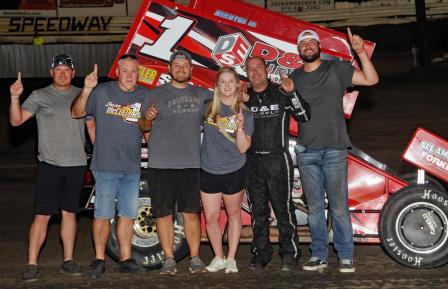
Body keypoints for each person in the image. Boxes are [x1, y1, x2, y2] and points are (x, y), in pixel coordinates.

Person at [282, 28, 379, 273]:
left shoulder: (336, 70)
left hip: (335, 149)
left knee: (338, 207)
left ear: (319, 47)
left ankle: (346, 255)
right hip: (306, 152)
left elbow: (371, 79)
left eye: (311, 42)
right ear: (299, 50)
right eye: (302, 43)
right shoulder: (293, 78)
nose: (307, 46)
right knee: (314, 208)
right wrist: (285, 91)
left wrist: (360, 53)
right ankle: (319, 255)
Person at [9, 54, 87, 282]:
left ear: (73, 73)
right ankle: (32, 263)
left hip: (76, 163)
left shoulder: (83, 95)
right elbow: (16, 121)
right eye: (58, 69)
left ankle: (68, 261)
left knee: (70, 213)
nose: (62, 73)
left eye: (67, 70)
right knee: (42, 215)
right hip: (49, 165)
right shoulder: (39, 96)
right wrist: (15, 98)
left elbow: (92, 124)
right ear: (51, 72)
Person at [71, 54, 150, 277]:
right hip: (105, 166)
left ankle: (125, 258)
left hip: (132, 167)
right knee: (103, 214)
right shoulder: (102, 91)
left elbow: (147, 126)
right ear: (117, 72)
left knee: (127, 215)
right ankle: (99, 259)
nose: (129, 76)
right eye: (125, 71)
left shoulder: (145, 95)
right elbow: (78, 113)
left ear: (138, 73)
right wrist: (86, 89)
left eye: (133, 71)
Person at [139, 50, 212, 276]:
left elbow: (223, 112)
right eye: (176, 65)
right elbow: (142, 127)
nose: (180, 68)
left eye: (185, 65)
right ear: (170, 69)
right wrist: (147, 119)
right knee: (163, 214)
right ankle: (169, 259)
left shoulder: (202, 95)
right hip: (161, 165)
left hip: (191, 164)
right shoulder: (155, 94)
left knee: (191, 213)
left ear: (191, 70)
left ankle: (195, 258)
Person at [244, 56, 310, 271]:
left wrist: (292, 93)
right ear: (246, 73)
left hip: (278, 159)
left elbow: (304, 116)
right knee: (258, 211)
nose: (255, 72)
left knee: (284, 209)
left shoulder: (281, 91)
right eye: (250, 69)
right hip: (252, 160)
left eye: (258, 68)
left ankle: (290, 254)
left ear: (267, 70)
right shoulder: (243, 97)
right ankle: (261, 252)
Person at [199, 67, 254, 274]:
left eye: (231, 81)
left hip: (234, 169)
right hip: (209, 169)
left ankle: (231, 258)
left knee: (233, 215)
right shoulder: (207, 108)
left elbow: (242, 148)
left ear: (238, 84)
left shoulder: (245, 113)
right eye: (223, 82)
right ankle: (219, 257)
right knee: (211, 218)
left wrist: (239, 127)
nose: (227, 85)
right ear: (217, 85)